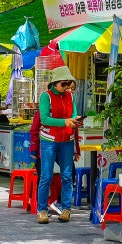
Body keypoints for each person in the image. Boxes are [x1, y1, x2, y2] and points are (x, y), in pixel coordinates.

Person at [36, 66, 82, 224]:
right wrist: (65, 121)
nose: (67, 87)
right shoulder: (46, 97)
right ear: (55, 83)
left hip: (67, 140)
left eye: (68, 84)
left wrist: (75, 120)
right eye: (64, 84)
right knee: (46, 176)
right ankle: (42, 209)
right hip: (49, 140)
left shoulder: (70, 96)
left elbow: (73, 113)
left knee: (67, 176)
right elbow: (44, 119)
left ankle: (66, 208)